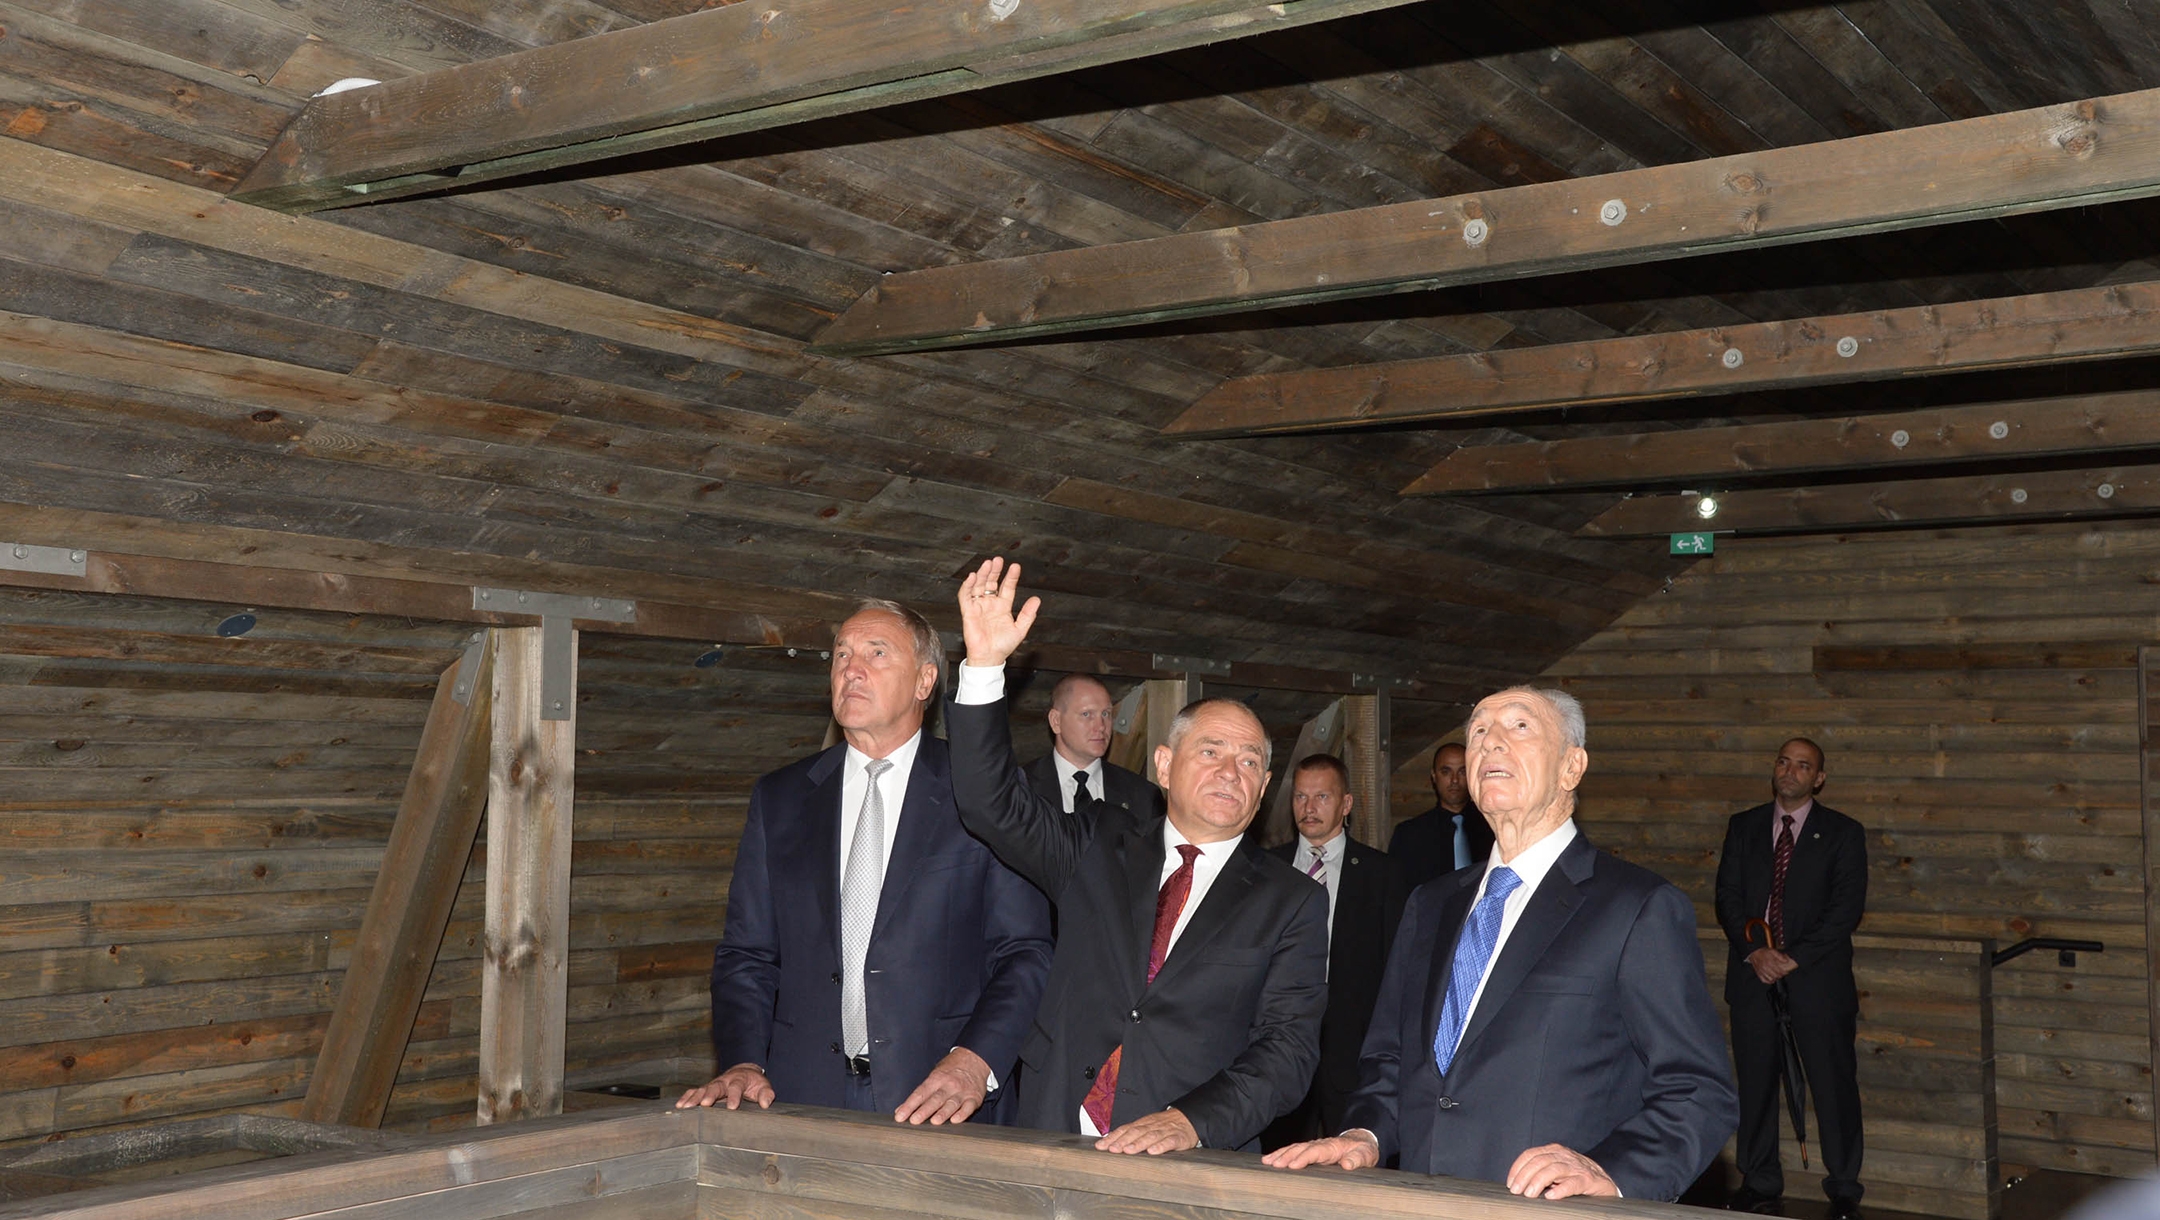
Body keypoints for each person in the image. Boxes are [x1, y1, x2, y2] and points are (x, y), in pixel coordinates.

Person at [1265, 687, 1737, 1202]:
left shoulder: (1636, 907)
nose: (1490, 742)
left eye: (1519, 727)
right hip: (1419, 1202)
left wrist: (1615, 1171)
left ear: (1571, 767)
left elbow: (1698, 1090)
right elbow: (1391, 1059)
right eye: (1478, 732)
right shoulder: (1430, 903)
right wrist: (1365, 1134)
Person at [946, 557, 1328, 1154]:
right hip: (1054, 1137)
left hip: (1188, 1161)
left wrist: (1189, 1122)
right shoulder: (1098, 843)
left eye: (1250, 761)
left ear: (1264, 787)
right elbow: (989, 803)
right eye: (1211, 752)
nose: (1232, 771)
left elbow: (1288, 1052)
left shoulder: (1293, 900)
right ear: (1165, 767)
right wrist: (986, 665)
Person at [678, 599, 1053, 1126]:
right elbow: (747, 954)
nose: (851, 669)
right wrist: (743, 1060)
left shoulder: (982, 793)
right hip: (801, 1095)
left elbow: (1026, 951)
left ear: (925, 682)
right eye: (841, 655)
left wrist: (975, 1061)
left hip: (940, 1098)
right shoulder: (782, 797)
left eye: (877, 654)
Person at [1715, 738, 1867, 1218]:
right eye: (1784, 761)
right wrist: (1754, 952)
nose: (1791, 771)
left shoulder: (1842, 832)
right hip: (1753, 978)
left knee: (1832, 1085)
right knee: (1756, 1084)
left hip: (1816, 982)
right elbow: (1728, 898)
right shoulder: (1743, 827)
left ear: (1818, 778)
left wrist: (1791, 957)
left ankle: (1843, 1186)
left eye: (1804, 766)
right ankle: (1759, 1182)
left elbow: (1845, 910)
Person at [1262, 754, 1408, 1147]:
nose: (1309, 809)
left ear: (1346, 804)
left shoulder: (1384, 876)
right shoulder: (1265, 870)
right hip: (1277, 1043)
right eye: (1300, 797)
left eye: (1322, 797)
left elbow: (1397, 970)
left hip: (1353, 1048)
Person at [1026, 673, 1163, 824]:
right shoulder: (1020, 790)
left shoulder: (1143, 796)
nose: (1101, 726)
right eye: (1087, 714)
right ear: (1056, 721)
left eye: (1106, 714)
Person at [1388, 743, 1494, 890]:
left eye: (1462, 772)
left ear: (1472, 775)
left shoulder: (1493, 829)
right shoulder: (1409, 835)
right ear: (1434, 776)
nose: (1455, 780)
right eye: (1446, 772)